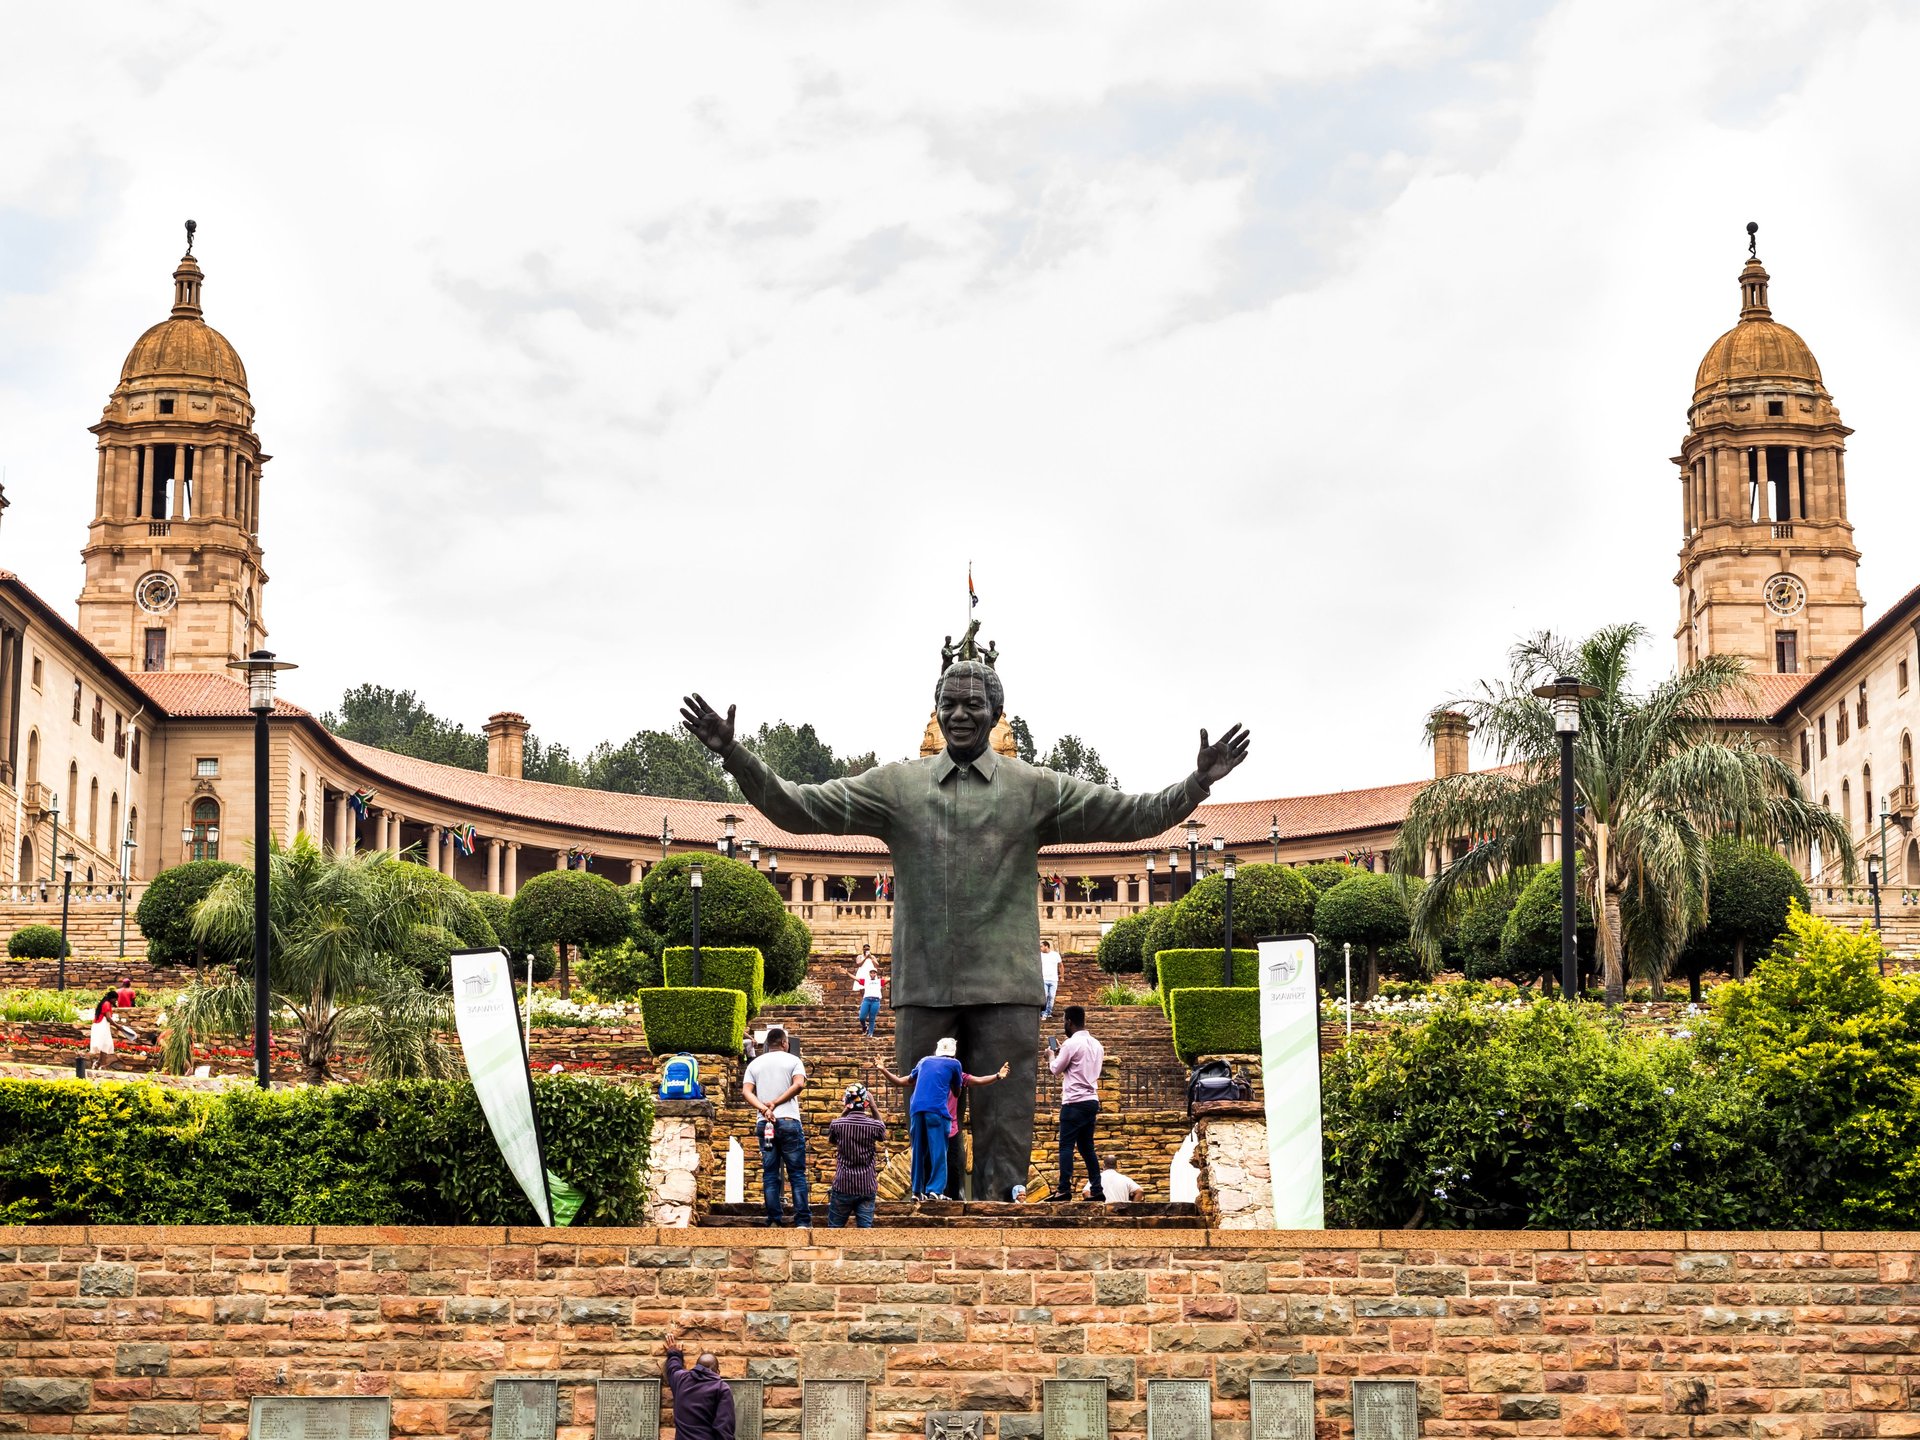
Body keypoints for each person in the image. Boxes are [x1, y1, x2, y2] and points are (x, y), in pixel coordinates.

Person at [679, 666, 1249, 1199]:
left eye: (972, 704)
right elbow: (798, 809)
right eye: (948, 703)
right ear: (935, 710)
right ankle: (937, 1238)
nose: (959, 714)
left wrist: (1196, 783)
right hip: (925, 986)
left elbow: (1131, 816)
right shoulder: (897, 787)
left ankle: (1003, 1244)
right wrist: (735, 754)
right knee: (929, 1133)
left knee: (1006, 1139)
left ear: (997, 713)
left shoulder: (1034, 789)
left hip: (1006, 989)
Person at [741, 1026, 811, 1227]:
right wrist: (776, 1103)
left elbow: (747, 1092)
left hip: (766, 1125)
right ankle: (803, 1222)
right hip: (788, 1122)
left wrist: (764, 1109)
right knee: (796, 1173)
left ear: (766, 1044)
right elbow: (798, 1085)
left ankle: (773, 1220)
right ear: (783, 1042)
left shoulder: (756, 1064)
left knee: (770, 1172)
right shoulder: (793, 1060)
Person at [1048, 1006, 1105, 1201]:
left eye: (1064, 1020)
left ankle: (1064, 1189)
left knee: (1066, 1146)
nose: (1064, 1024)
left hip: (1073, 1101)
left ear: (1069, 1022)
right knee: (1087, 1147)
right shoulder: (1097, 1044)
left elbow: (1055, 1069)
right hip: (1091, 1100)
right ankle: (1097, 1189)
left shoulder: (1071, 1044)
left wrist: (1050, 1056)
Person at [824, 1083, 887, 1228]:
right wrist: (874, 1107)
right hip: (866, 1185)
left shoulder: (837, 1125)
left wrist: (845, 1111)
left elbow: (832, 1140)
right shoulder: (874, 1126)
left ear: (846, 1102)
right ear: (866, 1103)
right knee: (865, 1233)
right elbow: (882, 1133)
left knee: (833, 1231)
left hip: (843, 1184)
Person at [664, 1328, 735, 1440]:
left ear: (696, 1366)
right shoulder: (721, 1388)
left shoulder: (681, 1380)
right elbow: (723, 1428)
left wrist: (674, 1353)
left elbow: (673, 1369)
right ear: (717, 1371)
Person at [853, 946, 884, 1037]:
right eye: (865, 948)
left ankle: (870, 1032)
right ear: (862, 949)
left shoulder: (872, 956)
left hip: (871, 972)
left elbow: (877, 965)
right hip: (863, 972)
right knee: (861, 988)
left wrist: (870, 957)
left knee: (870, 987)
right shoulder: (859, 956)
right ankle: (864, 1002)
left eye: (868, 948)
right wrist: (865, 958)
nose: (866, 949)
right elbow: (858, 964)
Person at [88, 992, 117, 1069]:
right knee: (105, 1044)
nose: (115, 1001)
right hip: (101, 1025)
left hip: (101, 1025)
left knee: (105, 1045)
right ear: (111, 998)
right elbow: (108, 1017)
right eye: (115, 999)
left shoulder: (104, 1003)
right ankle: (102, 1064)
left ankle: (98, 1063)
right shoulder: (107, 1004)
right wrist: (118, 1026)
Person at [1039, 941, 1061, 1019]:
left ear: (1046, 946)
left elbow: (1061, 965)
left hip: (1054, 979)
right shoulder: (1039, 955)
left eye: (1041, 946)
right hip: (1044, 979)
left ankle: (1048, 1012)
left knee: (1051, 996)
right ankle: (1043, 1012)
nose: (1040, 948)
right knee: (1045, 995)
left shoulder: (1055, 954)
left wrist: (1062, 977)